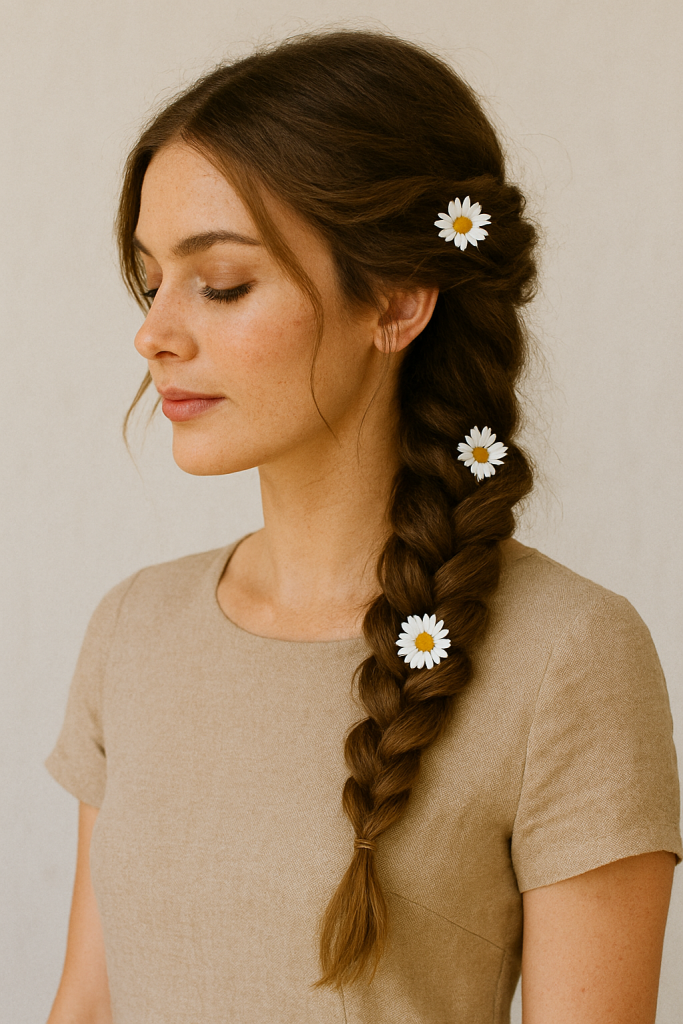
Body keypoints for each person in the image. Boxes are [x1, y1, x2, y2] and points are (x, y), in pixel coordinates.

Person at [45, 29, 681, 1024]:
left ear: (393, 300)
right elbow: (85, 1003)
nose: (154, 331)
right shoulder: (133, 628)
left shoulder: (569, 656)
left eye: (219, 282)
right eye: (150, 277)